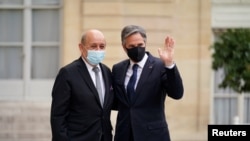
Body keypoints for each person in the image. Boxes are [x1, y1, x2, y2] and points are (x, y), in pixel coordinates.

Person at [112, 25, 184, 141]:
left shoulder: (160, 66)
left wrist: (169, 65)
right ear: (124, 47)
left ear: (145, 43)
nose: (137, 49)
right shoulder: (118, 69)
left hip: (153, 135)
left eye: (140, 45)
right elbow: (115, 100)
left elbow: (177, 93)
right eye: (132, 46)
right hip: (124, 135)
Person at [50, 29, 114, 141]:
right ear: (81, 47)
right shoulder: (68, 73)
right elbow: (58, 116)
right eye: (93, 46)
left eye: (102, 46)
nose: (98, 50)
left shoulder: (107, 72)